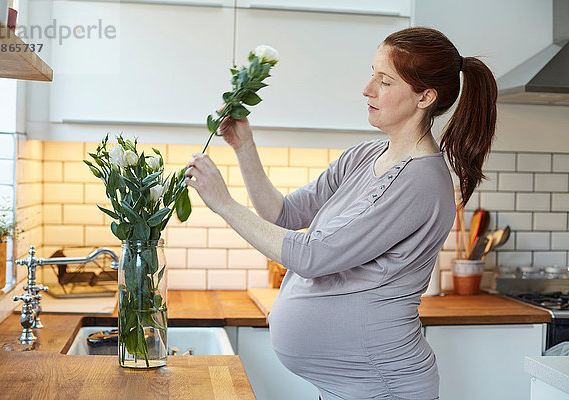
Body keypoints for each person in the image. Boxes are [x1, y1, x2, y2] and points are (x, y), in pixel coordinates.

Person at [184, 27, 497, 400]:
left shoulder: (423, 180)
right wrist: (244, 146)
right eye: (372, 74)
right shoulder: (365, 156)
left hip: (383, 386)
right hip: (346, 386)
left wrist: (223, 203)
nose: (367, 89)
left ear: (425, 97)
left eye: (384, 81)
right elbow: (283, 213)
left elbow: (312, 256)